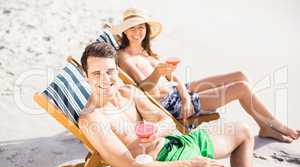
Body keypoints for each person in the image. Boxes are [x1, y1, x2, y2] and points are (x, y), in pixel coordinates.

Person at [78, 41, 275, 167]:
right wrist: (190, 165)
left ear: (117, 71)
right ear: (86, 77)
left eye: (110, 71)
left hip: (178, 142)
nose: (105, 79)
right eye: (96, 73)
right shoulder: (93, 119)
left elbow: (167, 121)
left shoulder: (128, 92)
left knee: (243, 131)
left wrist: (157, 131)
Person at [114, 8, 299, 143]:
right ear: (124, 31)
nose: (137, 32)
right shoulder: (125, 57)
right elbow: (145, 90)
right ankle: (276, 125)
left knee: (240, 75)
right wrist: (159, 74)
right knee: (241, 88)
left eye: (141, 27)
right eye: (132, 28)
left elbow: (172, 77)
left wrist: (185, 95)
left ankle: (265, 125)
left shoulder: (145, 51)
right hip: (168, 105)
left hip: (179, 93)